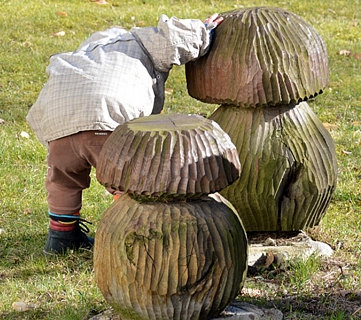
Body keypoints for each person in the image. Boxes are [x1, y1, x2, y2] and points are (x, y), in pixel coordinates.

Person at [26, 13, 223, 254]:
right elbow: (175, 37)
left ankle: (61, 238)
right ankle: (129, 234)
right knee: (127, 179)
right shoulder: (138, 40)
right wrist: (204, 30)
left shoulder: (81, 55)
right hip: (107, 118)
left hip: (58, 122)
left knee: (63, 180)